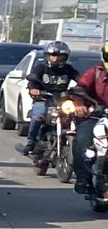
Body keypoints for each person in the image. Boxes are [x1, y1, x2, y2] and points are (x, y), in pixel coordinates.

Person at [21, 40, 77, 152]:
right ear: (47, 55)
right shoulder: (40, 68)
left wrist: (82, 90)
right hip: (44, 99)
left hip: (62, 101)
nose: (55, 58)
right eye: (52, 55)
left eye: (59, 56)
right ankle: (31, 142)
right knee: (39, 115)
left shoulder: (69, 70)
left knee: (77, 117)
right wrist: (33, 89)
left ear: (65, 57)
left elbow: (81, 81)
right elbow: (32, 79)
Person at [69, 45, 108, 193]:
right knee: (82, 139)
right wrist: (79, 105)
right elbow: (80, 88)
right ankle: (83, 179)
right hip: (97, 116)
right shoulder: (95, 73)